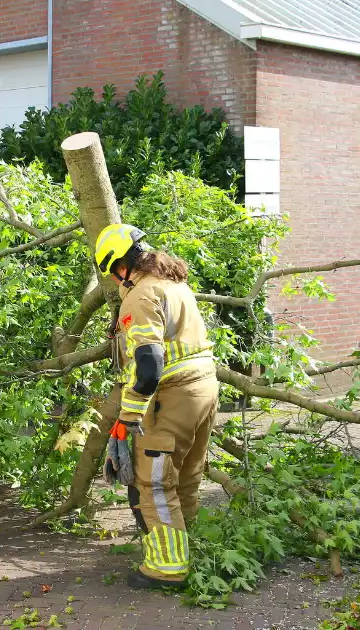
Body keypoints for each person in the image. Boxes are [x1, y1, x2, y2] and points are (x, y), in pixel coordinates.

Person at [94, 223, 218, 591]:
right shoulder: (173, 283)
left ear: (119, 266)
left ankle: (167, 568)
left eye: (112, 274)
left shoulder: (141, 295)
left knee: (154, 484)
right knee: (186, 478)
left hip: (171, 398)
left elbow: (148, 369)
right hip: (204, 390)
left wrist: (128, 417)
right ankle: (190, 549)